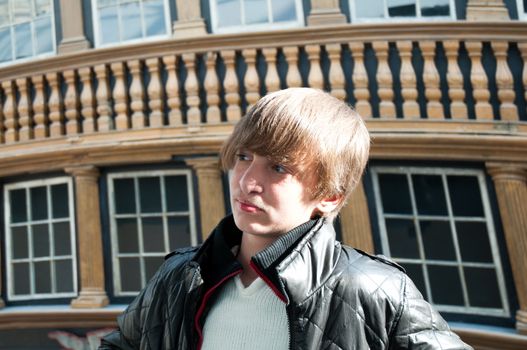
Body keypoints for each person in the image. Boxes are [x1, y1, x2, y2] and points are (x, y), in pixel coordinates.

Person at [100, 88, 472, 350]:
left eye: (278, 168)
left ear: (329, 197)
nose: (247, 183)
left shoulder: (376, 290)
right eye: (244, 157)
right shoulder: (178, 277)